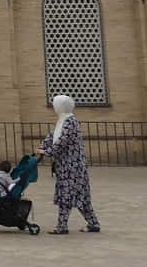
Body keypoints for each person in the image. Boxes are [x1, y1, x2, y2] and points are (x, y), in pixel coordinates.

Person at [36, 95, 101, 234]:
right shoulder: (63, 120)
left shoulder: (70, 122)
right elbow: (52, 136)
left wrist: (47, 152)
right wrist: (43, 146)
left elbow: (61, 142)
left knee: (68, 195)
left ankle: (62, 226)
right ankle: (93, 223)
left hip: (72, 166)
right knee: (80, 195)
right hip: (66, 165)